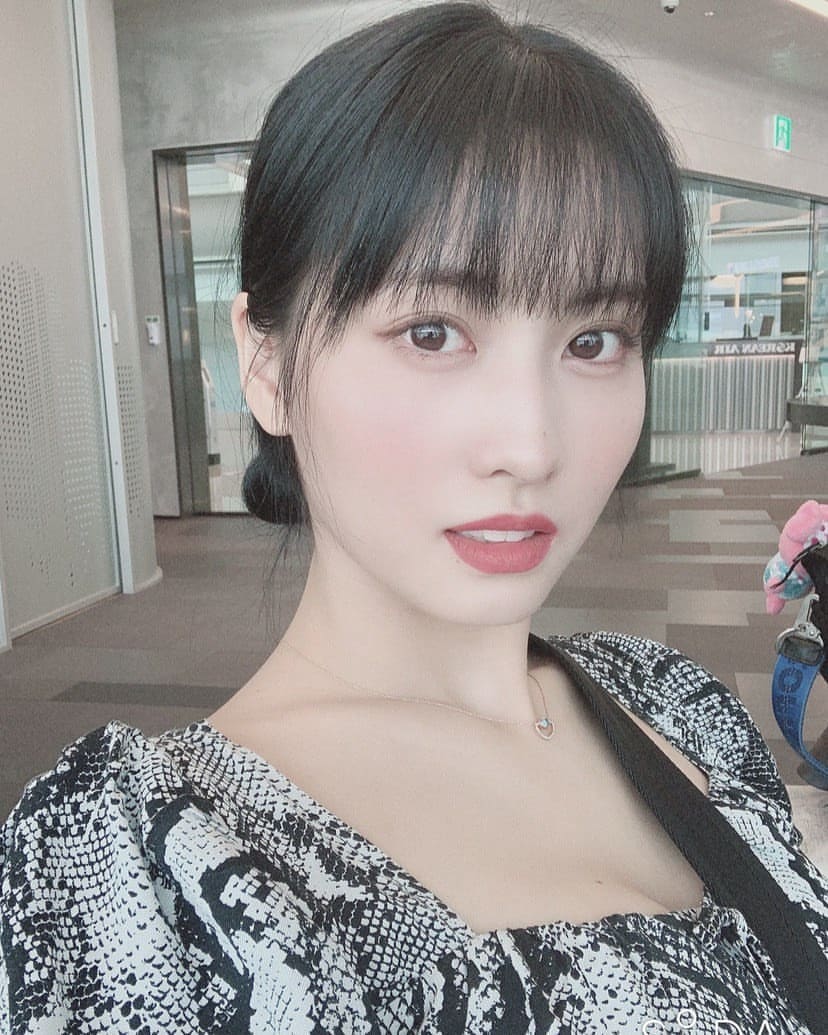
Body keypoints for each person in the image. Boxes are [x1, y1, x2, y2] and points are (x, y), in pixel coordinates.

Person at [1, 3, 826, 1032]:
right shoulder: (146, 876)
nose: (531, 445)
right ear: (265, 360)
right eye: (432, 331)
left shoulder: (678, 705)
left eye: (594, 340)